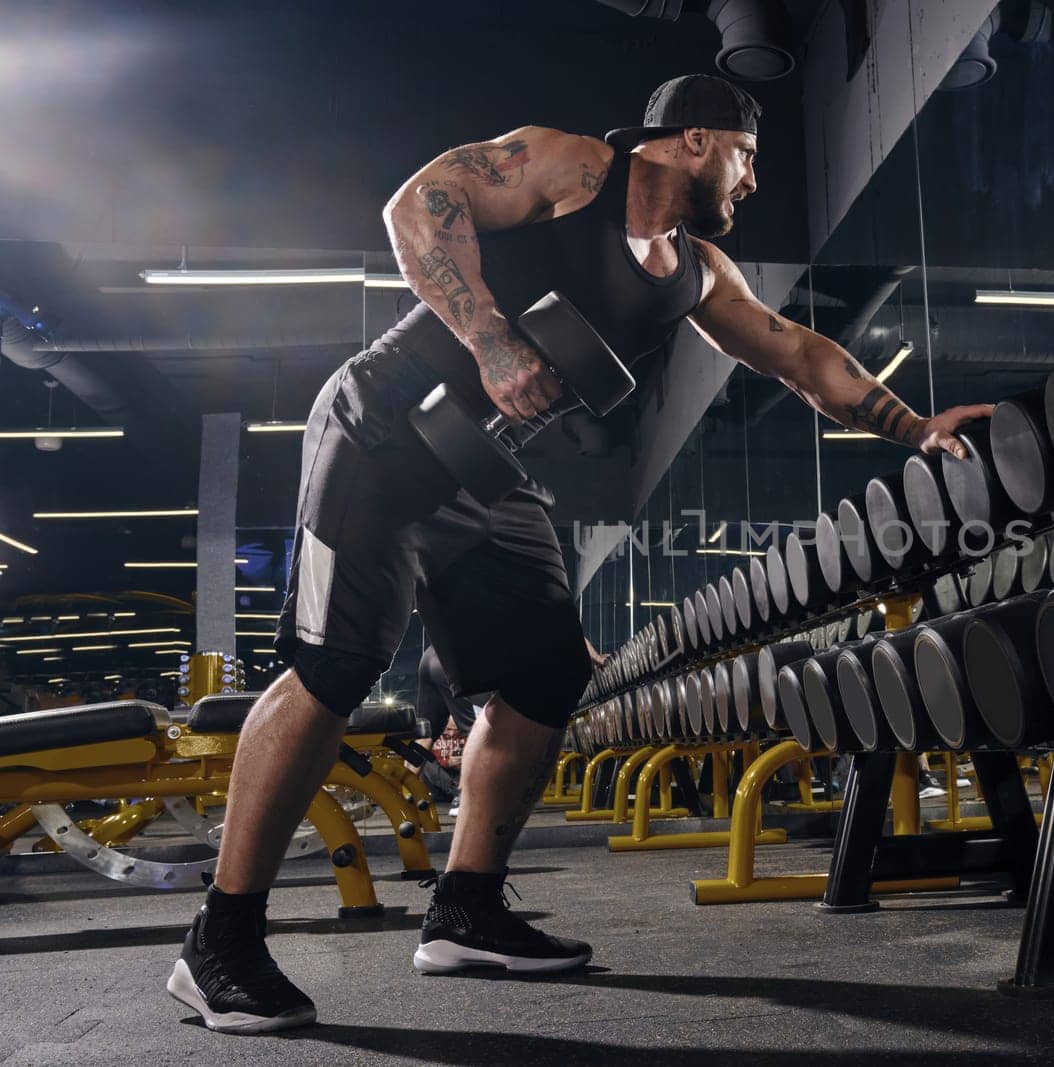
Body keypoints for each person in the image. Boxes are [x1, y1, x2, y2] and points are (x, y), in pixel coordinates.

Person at [167, 73, 992, 1034]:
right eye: (748, 155)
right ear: (693, 138)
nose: (755, 180)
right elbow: (419, 202)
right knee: (333, 665)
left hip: (482, 473)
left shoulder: (696, 270)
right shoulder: (571, 168)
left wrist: (915, 426)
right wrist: (487, 338)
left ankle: (467, 908)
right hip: (380, 428)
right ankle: (218, 939)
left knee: (549, 671)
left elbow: (797, 355)